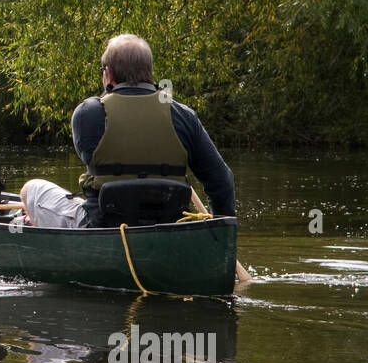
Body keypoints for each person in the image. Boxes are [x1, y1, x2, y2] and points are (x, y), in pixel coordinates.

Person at [19, 33, 234, 228]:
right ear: (149, 72)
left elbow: (88, 156)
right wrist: (220, 233)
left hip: (102, 226)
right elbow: (221, 180)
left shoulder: (90, 113)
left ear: (108, 73)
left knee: (31, 189)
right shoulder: (183, 115)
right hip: (169, 229)